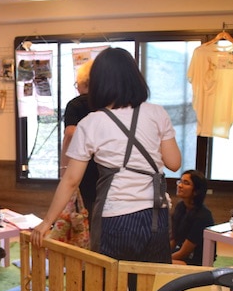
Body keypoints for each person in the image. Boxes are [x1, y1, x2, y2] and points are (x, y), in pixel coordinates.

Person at [31, 46, 181, 264]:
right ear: (135, 78)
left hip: (115, 216)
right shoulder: (157, 113)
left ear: (99, 83)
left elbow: (71, 181)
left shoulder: (91, 123)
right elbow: (174, 163)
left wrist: (46, 222)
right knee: (151, 286)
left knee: (111, 286)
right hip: (155, 215)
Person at [61, 59, 98, 220]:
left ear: (83, 83)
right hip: (105, 165)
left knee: (82, 213)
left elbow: (70, 132)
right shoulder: (106, 104)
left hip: (81, 164)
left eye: (77, 83)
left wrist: (63, 166)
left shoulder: (75, 104)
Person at [170, 169, 215, 265]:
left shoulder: (203, 216)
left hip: (196, 261)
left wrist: (161, 261)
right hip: (181, 255)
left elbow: (184, 253)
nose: (180, 185)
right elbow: (174, 240)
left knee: (159, 264)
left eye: (186, 183)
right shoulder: (180, 207)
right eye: (180, 181)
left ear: (196, 191)